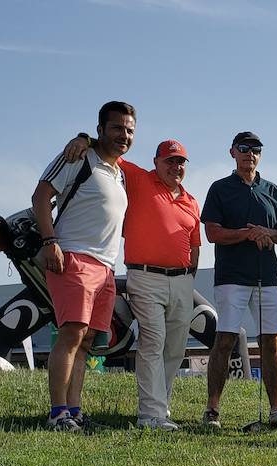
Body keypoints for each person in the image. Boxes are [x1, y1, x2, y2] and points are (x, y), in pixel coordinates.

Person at [62, 135, 202, 431]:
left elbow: (195, 245)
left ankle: (159, 409)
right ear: (156, 162)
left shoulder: (191, 201)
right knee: (153, 340)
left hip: (181, 281)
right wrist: (84, 138)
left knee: (175, 348)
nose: (175, 167)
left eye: (180, 162)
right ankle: (149, 415)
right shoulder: (140, 178)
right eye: (169, 161)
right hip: (145, 276)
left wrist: (190, 274)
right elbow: (111, 148)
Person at [31, 101, 134, 432]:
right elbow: (40, 196)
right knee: (72, 333)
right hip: (72, 256)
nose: (124, 135)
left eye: (130, 130)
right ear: (101, 129)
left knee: (88, 341)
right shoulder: (77, 157)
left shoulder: (119, 173)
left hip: (106, 267)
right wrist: (50, 242)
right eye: (117, 128)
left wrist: (86, 138)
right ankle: (56, 412)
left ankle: (73, 411)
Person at [200, 131, 277, 429]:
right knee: (225, 339)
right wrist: (246, 233)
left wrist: (267, 233)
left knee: (269, 341)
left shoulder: (271, 189)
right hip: (231, 278)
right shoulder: (220, 188)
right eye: (243, 149)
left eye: (255, 150)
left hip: (266, 278)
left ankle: (276, 410)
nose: (249, 154)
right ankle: (212, 409)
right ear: (232, 152)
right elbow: (212, 233)